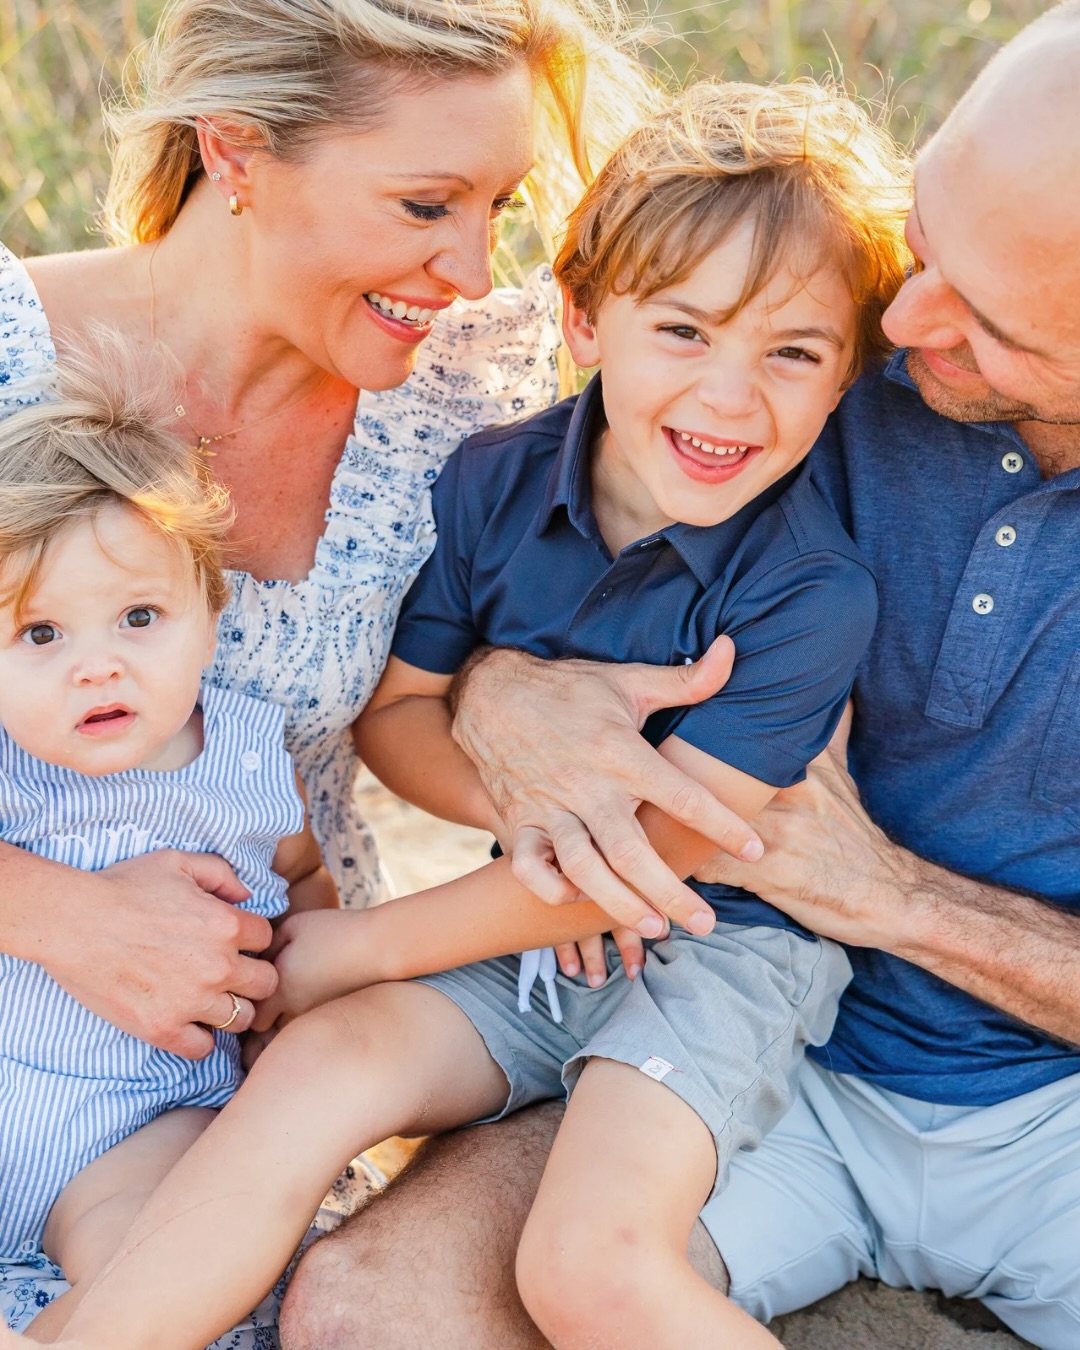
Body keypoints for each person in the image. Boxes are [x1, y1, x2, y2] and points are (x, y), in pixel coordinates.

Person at [0, 76, 909, 1350]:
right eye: (685, 332)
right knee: (315, 1074)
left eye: (794, 353)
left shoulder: (814, 590)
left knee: (594, 1261)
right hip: (516, 928)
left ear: (848, 373)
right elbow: (402, 717)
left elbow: (661, 858)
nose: (729, 398)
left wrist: (371, 946)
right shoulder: (496, 474)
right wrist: (528, 807)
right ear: (585, 318)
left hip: (718, 957)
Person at [272, 4, 1080, 1349]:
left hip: (1050, 1112)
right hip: (736, 1037)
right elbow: (583, 496)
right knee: (377, 1314)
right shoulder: (802, 351)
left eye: (991, 322)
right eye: (929, 238)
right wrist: (502, 687)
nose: (904, 311)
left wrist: (897, 899)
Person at [0, 342, 340, 1343]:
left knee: (162, 1254)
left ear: (209, 613)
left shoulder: (244, 756)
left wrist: (290, 997)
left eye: (138, 617)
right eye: (41, 635)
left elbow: (305, 873)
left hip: (138, 1123)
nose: (97, 669)